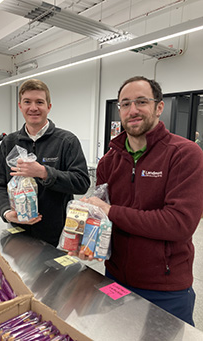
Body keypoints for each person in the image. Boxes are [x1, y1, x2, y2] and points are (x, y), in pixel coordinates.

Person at [72, 76, 203, 326]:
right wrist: (89, 240)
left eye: (141, 101)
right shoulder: (108, 161)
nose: (133, 110)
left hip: (165, 288)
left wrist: (110, 211)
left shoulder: (185, 154)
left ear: (159, 107)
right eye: (125, 104)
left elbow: (179, 224)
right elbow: (102, 219)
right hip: (114, 278)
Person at [0, 79, 90, 247]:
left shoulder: (67, 141)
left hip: (56, 235)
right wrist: (6, 212)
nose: (33, 108)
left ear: (48, 107)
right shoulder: (9, 143)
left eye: (39, 102)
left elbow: (82, 183)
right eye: (27, 102)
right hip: (18, 231)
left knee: (53, 273)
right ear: (20, 106)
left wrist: (44, 173)